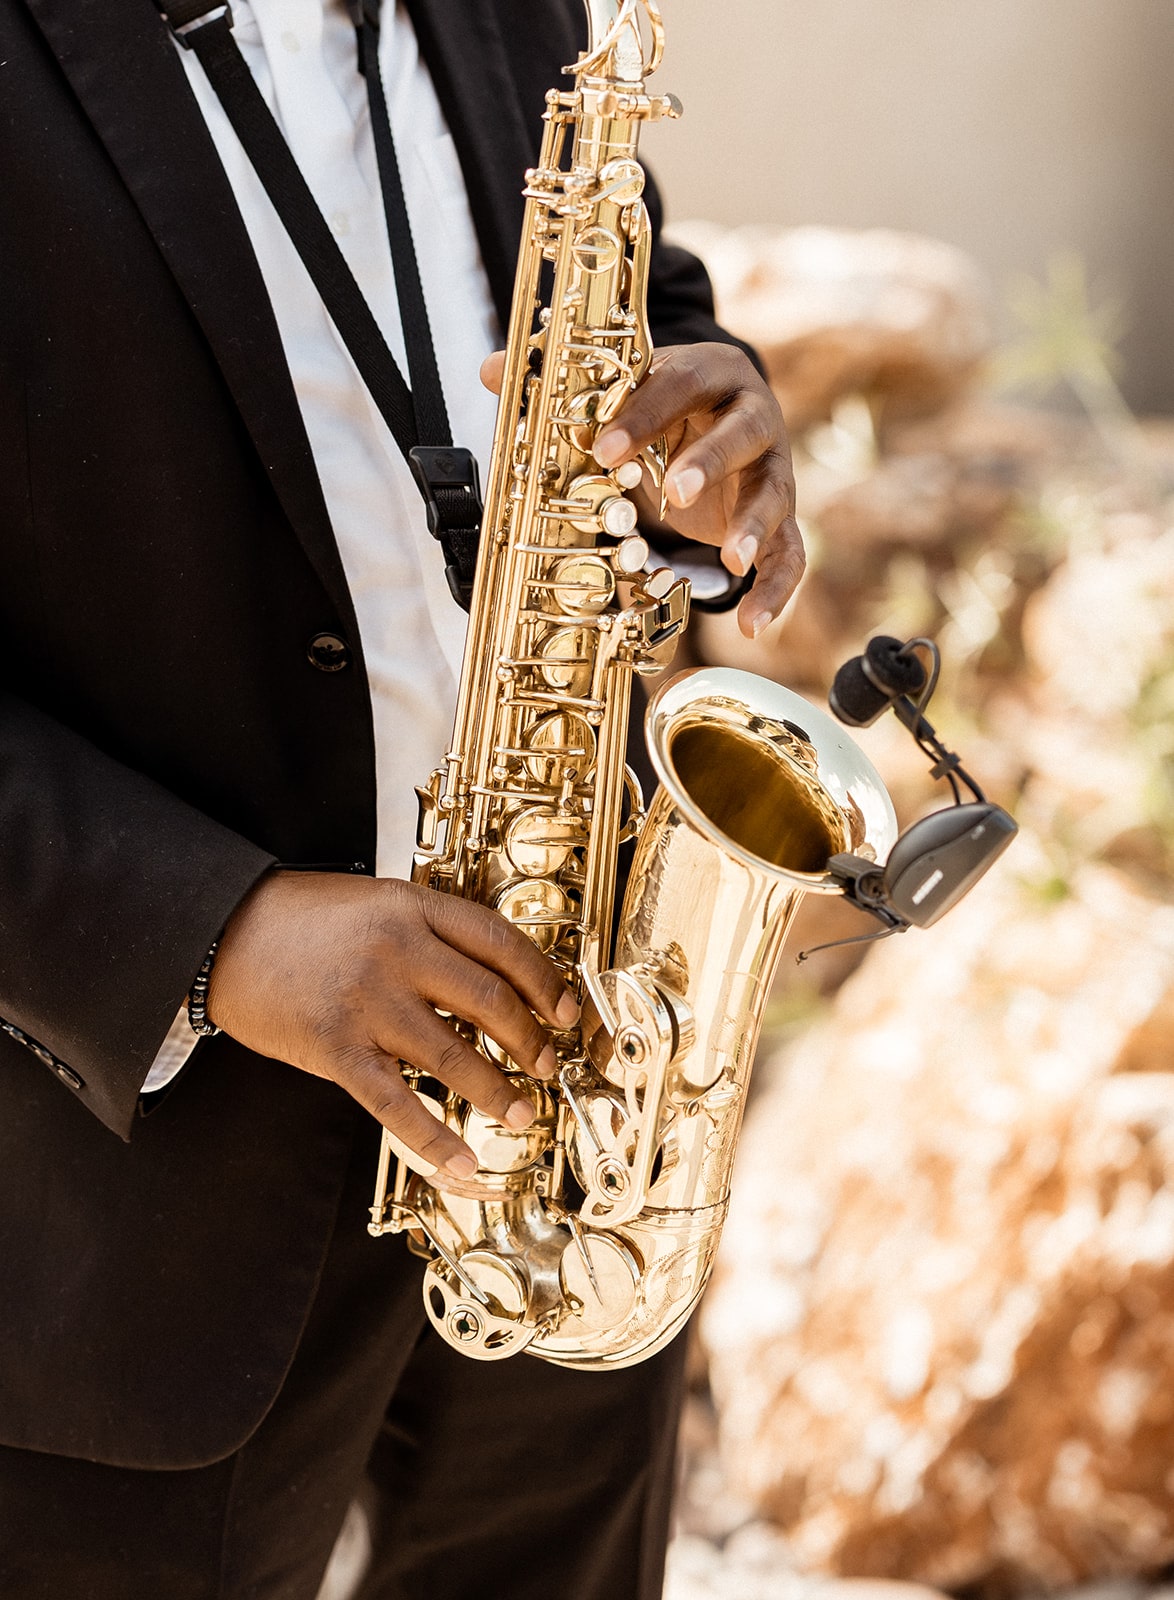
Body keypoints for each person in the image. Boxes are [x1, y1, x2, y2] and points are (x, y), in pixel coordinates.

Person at [0, 0, 804, 1594]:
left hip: (560, 1129)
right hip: (125, 1211)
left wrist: (714, 426)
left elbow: (623, 294)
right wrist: (209, 935)